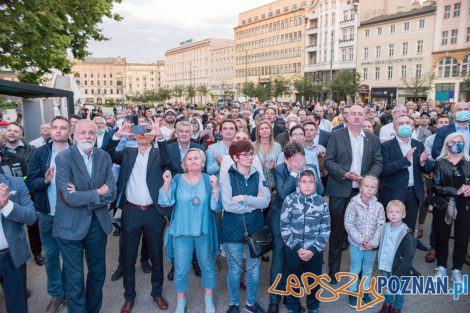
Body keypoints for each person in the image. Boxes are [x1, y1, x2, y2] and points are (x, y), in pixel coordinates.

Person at [106, 119, 171, 313]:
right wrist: (118, 134)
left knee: (157, 256)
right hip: (131, 211)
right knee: (128, 255)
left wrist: (160, 136)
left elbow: (168, 162)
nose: (142, 133)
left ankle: (156, 293)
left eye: (147, 130)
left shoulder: (159, 154)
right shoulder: (127, 153)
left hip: (153, 212)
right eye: (139, 130)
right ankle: (129, 296)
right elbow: (107, 154)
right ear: (134, 134)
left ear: (152, 135)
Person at [54, 119, 117, 313]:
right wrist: (98, 192)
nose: (87, 136)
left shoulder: (104, 157)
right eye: (83, 132)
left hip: (97, 225)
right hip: (69, 227)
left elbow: (112, 192)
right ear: (74, 135)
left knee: (98, 274)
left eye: (91, 132)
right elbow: (69, 197)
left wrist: (83, 194)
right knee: (75, 279)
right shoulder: (63, 158)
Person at [324, 105, 383, 284]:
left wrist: (366, 179)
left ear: (366, 117)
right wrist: (344, 174)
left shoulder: (372, 139)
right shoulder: (336, 135)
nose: (357, 117)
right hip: (340, 189)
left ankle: (359, 274)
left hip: (363, 192)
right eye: (353, 114)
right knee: (337, 232)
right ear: (346, 117)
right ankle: (333, 272)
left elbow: (378, 162)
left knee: (365, 230)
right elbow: (328, 161)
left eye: (360, 114)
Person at [159, 149, 221, 313]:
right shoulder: (177, 179)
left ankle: (208, 300)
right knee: (181, 268)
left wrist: (215, 189)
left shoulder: (209, 180)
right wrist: (166, 182)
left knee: (207, 266)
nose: (193, 161)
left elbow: (216, 207)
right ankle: (181, 301)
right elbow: (165, 201)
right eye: (189, 159)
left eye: (196, 158)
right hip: (181, 230)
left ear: (202, 162)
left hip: (203, 230)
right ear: (184, 164)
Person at [219, 140, 271, 313]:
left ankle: (250, 304)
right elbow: (227, 205)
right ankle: (233, 304)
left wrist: (244, 198)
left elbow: (266, 200)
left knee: (254, 270)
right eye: (246, 154)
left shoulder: (258, 174)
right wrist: (254, 205)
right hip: (232, 228)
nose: (250, 157)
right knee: (234, 270)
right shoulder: (228, 176)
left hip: (256, 227)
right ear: (235, 157)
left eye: (251, 154)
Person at [26, 117, 71, 313]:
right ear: (50, 131)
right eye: (55, 127)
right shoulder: (40, 153)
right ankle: (56, 294)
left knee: (71, 257)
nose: (58, 131)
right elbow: (31, 184)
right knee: (52, 256)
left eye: (63, 128)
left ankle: (69, 291)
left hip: (72, 215)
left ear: (70, 132)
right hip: (47, 214)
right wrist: (44, 181)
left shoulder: (78, 152)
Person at [280, 168, 330, 313]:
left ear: (315, 183)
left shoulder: (321, 202)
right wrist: (297, 248)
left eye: (311, 182)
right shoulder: (289, 200)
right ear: (298, 183)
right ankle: (293, 307)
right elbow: (284, 226)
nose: (307, 185)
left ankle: (313, 307)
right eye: (304, 182)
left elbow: (325, 229)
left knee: (313, 282)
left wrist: (313, 249)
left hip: (314, 251)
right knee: (293, 280)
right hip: (293, 250)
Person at [380, 114, 433, 237]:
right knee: (391, 229)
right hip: (393, 193)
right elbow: (384, 169)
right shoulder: (386, 146)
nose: (405, 126)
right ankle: (390, 254)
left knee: (408, 229)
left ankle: (406, 253)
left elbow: (427, 169)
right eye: (401, 124)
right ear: (394, 128)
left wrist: (423, 162)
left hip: (413, 193)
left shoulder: (418, 144)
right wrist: (405, 160)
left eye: (408, 123)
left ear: (413, 127)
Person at [431, 132, 470, 283]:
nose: (455, 144)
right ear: (447, 145)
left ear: (464, 144)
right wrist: (456, 191)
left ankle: (457, 269)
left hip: (465, 205)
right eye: (452, 142)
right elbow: (435, 186)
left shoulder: (468, 162)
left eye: (459, 142)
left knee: (462, 238)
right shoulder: (440, 162)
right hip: (443, 204)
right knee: (442, 237)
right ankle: (441, 267)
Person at [344, 176, 385, 308]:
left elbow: (381, 225)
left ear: (376, 190)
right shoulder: (353, 204)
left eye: (372, 187)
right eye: (366, 186)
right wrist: (361, 240)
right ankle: (352, 292)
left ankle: (365, 292)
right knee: (355, 268)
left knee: (368, 269)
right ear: (360, 188)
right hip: (357, 244)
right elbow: (349, 224)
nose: (369, 189)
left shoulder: (379, 206)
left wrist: (373, 242)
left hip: (371, 246)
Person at [0, 167, 37, 313]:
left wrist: (7, 205)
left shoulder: (16, 183)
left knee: (17, 307)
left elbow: (31, 217)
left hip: (13, 255)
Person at [377, 200, 416, 313]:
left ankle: (396, 307)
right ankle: (387, 305)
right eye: (390, 211)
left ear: (403, 215)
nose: (393, 214)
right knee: (387, 288)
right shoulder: (384, 227)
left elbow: (409, 256)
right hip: (385, 265)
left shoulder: (406, 233)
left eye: (397, 212)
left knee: (399, 290)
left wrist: (398, 274)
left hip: (399, 269)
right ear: (386, 214)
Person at [254, 121, 282, 190]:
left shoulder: (277, 146)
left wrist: (274, 168)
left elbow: (281, 166)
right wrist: (259, 168)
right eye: (261, 128)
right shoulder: (252, 146)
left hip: (275, 184)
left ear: (271, 131)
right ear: (258, 132)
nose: (264, 130)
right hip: (257, 184)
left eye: (266, 128)